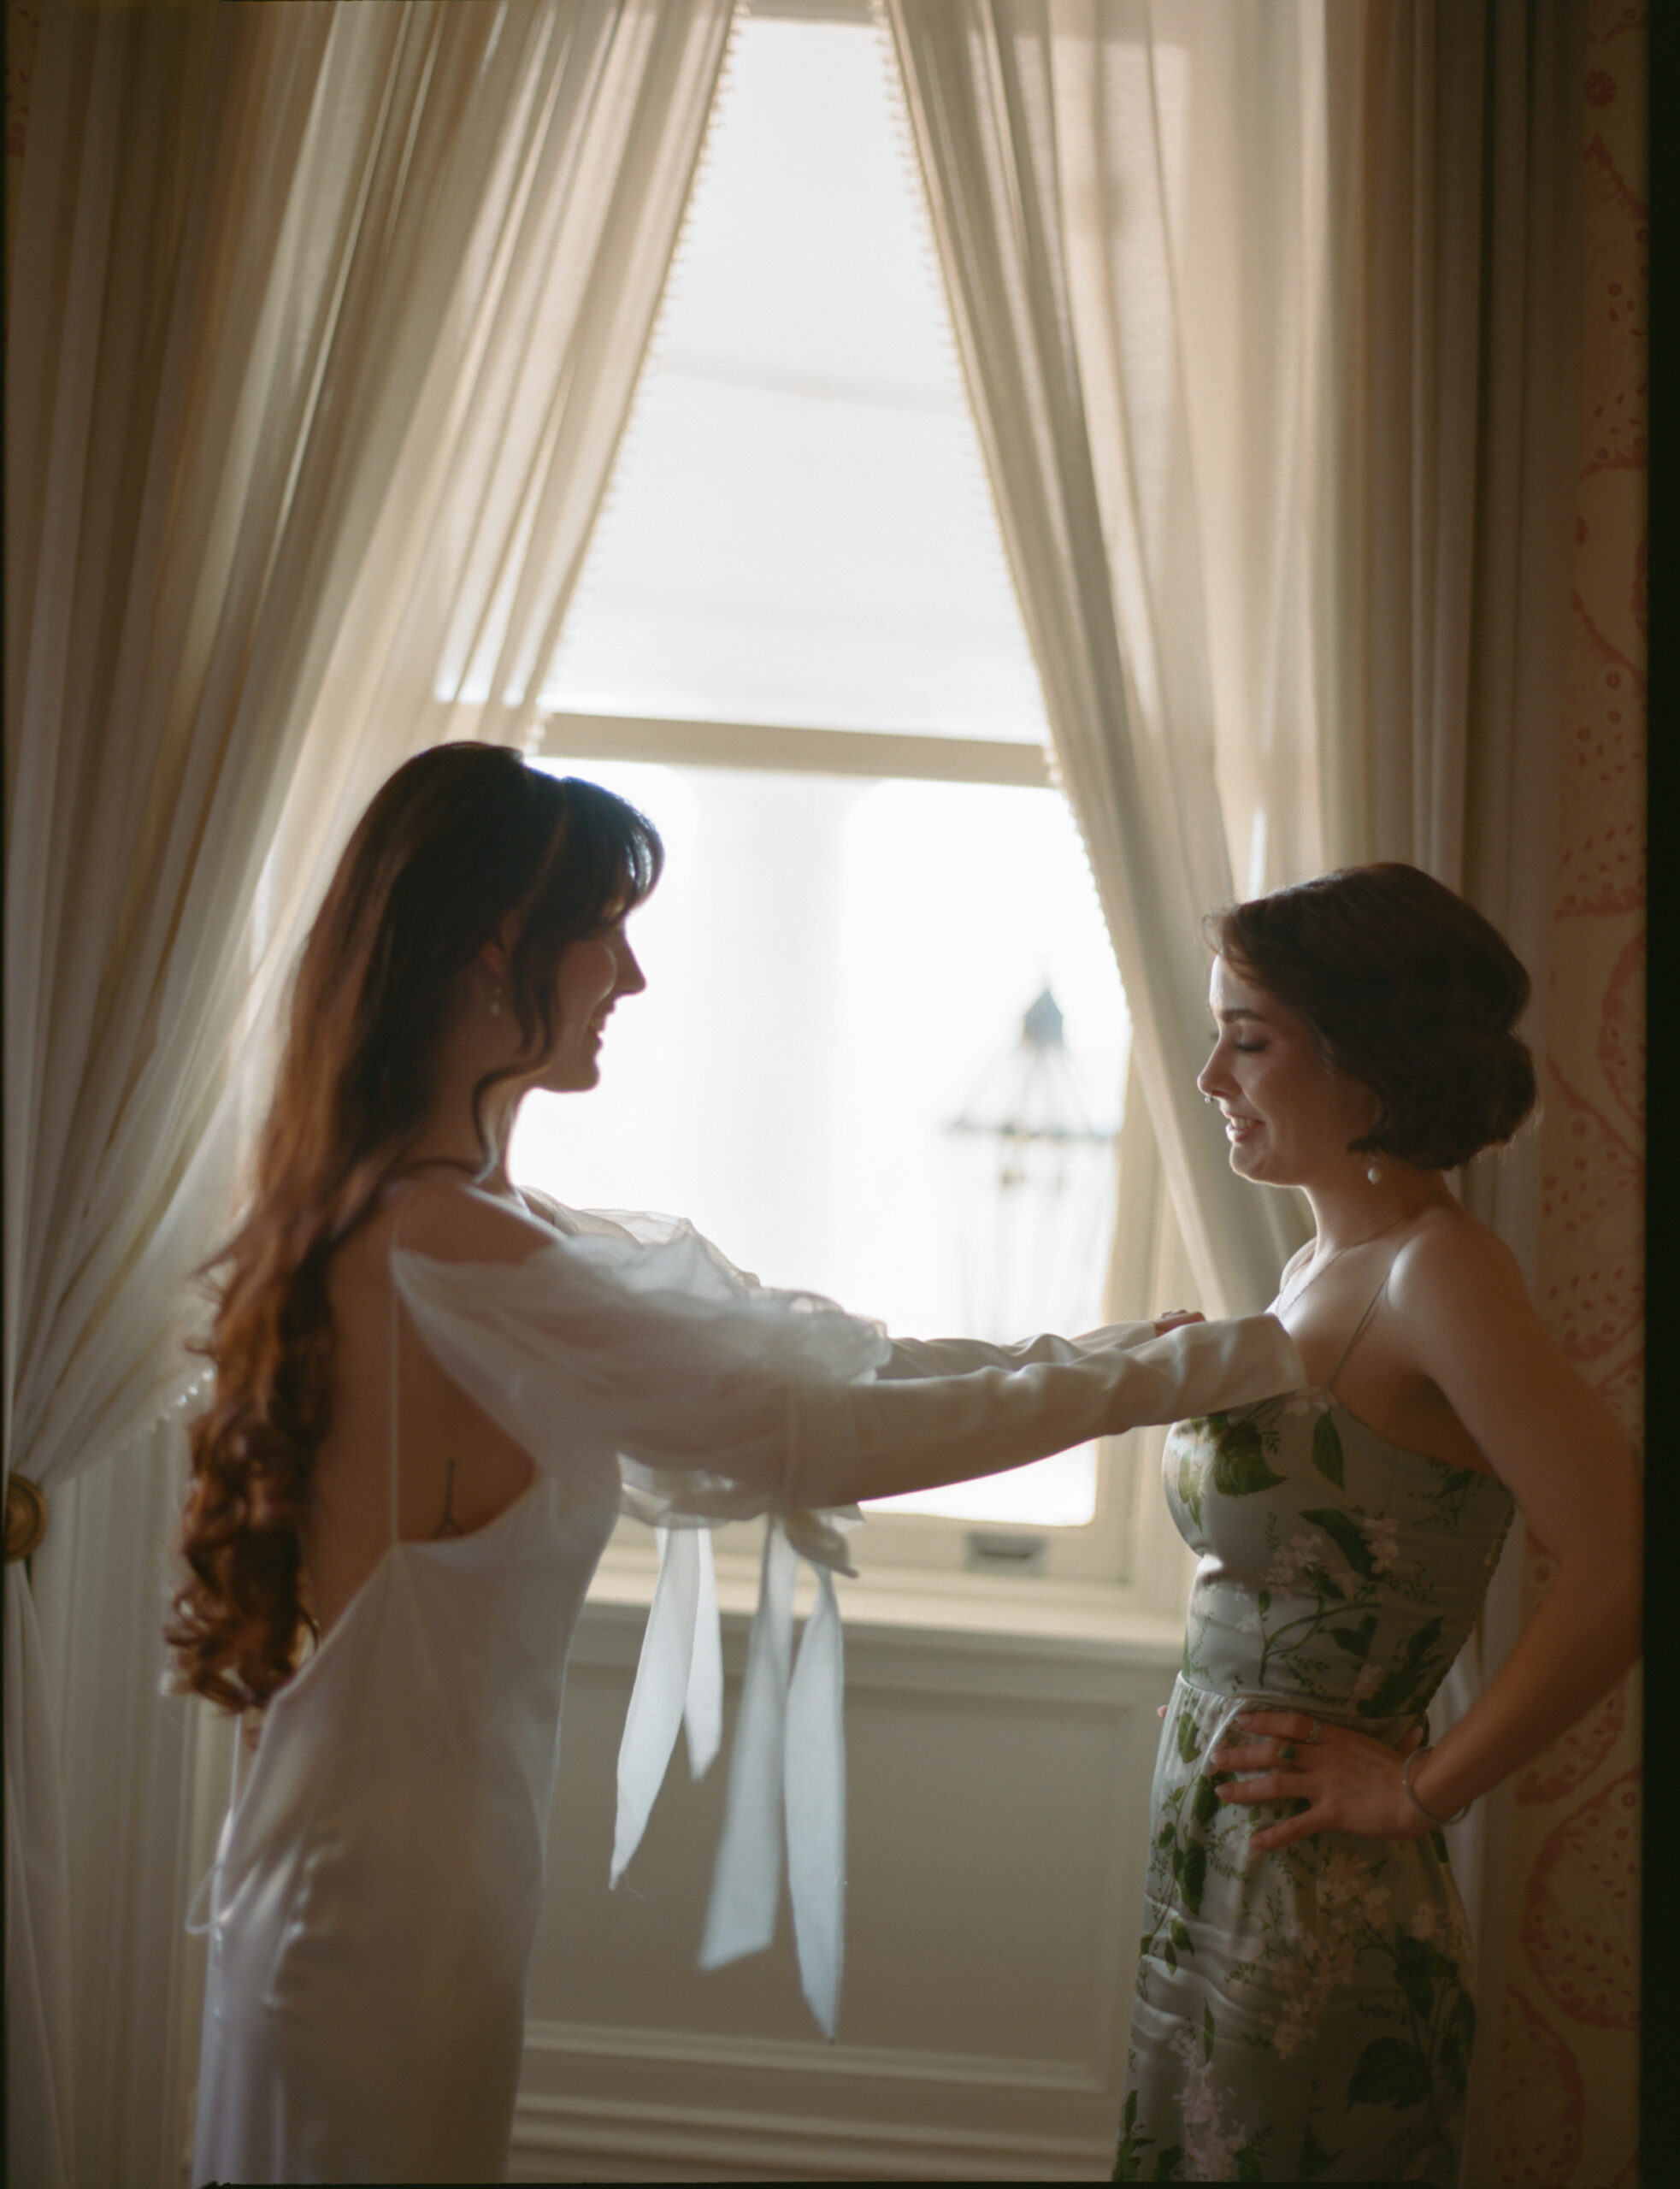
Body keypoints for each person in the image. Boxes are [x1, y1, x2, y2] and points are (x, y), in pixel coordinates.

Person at [168, 742, 1302, 2186]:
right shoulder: (453, 1248)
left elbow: (832, 1367)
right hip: (381, 1899)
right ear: (490, 949)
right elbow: (827, 1436)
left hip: (397, 1873)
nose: (629, 979)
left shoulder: (464, 1222)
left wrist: (1114, 1346)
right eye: (606, 932)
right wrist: (1203, 1367)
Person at [1114, 864, 1641, 2186]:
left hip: (1317, 1891)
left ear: (1372, 1061)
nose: (1208, 1079)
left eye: (1247, 1041)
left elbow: (1626, 1558)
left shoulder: (1438, 1272)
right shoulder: (1315, 1270)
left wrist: (1416, 1788)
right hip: (1218, 1851)